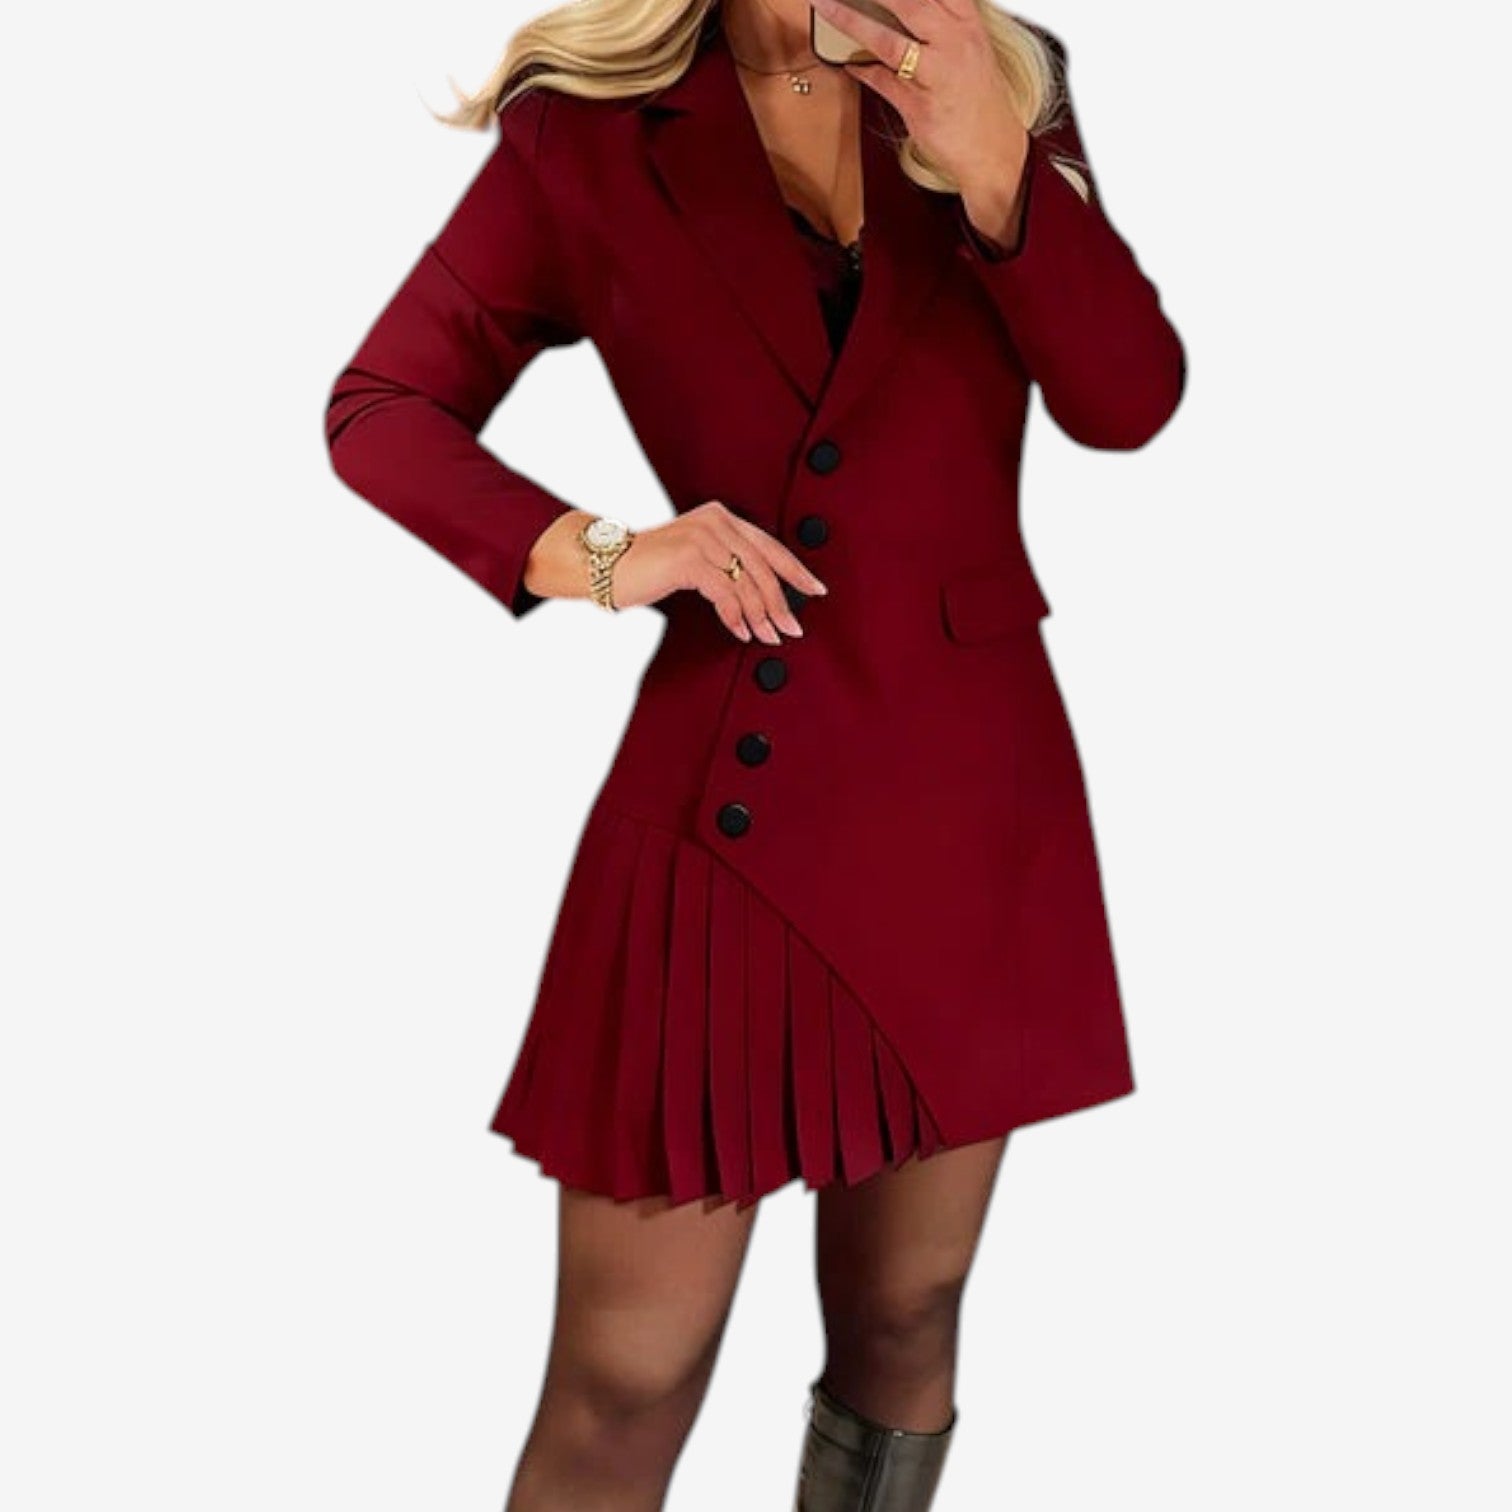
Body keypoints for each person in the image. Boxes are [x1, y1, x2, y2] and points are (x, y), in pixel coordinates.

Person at [323, 0, 1185, 1503]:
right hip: (724, 803)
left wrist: (995, 164)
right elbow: (383, 405)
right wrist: (607, 555)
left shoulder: (1003, 72)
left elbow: (1127, 402)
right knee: (626, 1375)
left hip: (965, 792)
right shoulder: (585, 129)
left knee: (907, 1319)